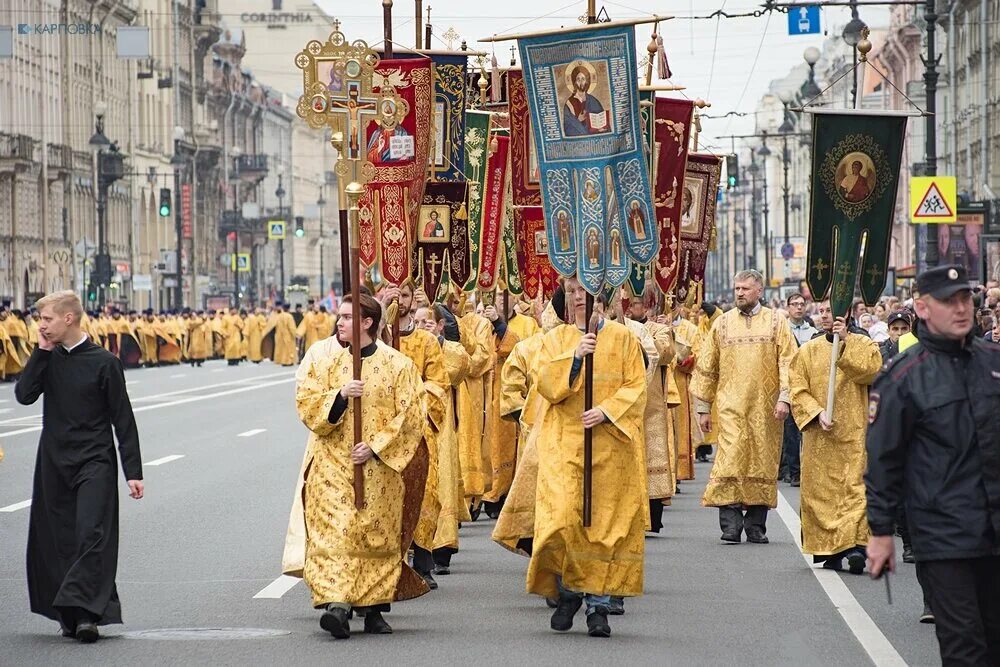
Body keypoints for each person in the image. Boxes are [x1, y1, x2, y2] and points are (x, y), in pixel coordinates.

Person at [866, 264, 1000, 664]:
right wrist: (881, 531)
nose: (961, 309)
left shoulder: (994, 362)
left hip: (996, 528)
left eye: (966, 300)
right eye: (949, 301)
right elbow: (883, 460)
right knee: (965, 648)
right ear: (922, 308)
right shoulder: (903, 377)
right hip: (944, 536)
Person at [293, 293, 429, 638]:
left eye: (346, 317)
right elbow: (306, 402)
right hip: (332, 465)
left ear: (367, 323)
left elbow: (412, 414)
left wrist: (375, 446)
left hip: (379, 468)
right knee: (337, 531)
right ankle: (337, 604)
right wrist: (339, 396)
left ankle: (373, 609)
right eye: (339, 317)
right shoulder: (326, 363)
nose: (339, 323)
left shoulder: (397, 365)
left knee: (373, 534)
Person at [14, 291, 143, 643]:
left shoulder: (104, 362)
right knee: (59, 537)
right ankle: (68, 612)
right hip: (54, 462)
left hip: (95, 460)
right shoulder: (47, 358)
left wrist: (133, 471)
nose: (41, 325)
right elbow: (24, 395)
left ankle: (87, 614)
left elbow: (123, 418)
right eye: (39, 320)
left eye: (47, 319)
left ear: (69, 318)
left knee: (91, 533)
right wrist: (40, 352)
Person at [530, 276, 647, 638]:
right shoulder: (554, 339)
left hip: (610, 447)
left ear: (599, 295)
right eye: (571, 292)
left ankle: (598, 607)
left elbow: (637, 385)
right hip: (564, 446)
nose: (577, 298)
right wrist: (576, 357)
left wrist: (608, 411)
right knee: (564, 521)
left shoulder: (624, 338)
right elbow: (547, 385)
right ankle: (568, 591)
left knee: (603, 528)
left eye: (582, 291)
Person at [691, 270, 797, 543]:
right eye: (737, 288)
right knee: (729, 461)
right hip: (731, 407)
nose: (739, 293)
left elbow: (788, 362)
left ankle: (755, 526)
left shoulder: (776, 322)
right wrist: (703, 407)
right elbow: (707, 367)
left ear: (759, 291)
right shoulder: (723, 324)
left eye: (745, 289)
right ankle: (730, 524)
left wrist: (785, 397)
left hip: (766, 408)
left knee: (762, 463)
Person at [789, 300, 881, 573]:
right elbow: (797, 389)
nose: (825, 315)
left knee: (855, 489)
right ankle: (831, 548)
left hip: (854, 434)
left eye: (831, 311)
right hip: (821, 437)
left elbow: (870, 371)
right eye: (822, 311)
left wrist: (844, 344)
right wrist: (816, 413)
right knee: (823, 495)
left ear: (846, 315)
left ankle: (855, 546)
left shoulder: (863, 345)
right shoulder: (808, 351)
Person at [781, 293, 818, 486]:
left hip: (807, 385)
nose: (798, 308)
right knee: (789, 431)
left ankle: (804, 470)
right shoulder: (782, 329)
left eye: (801, 304)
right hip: (787, 384)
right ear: (788, 308)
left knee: (804, 429)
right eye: (794, 304)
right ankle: (791, 470)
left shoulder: (811, 331)